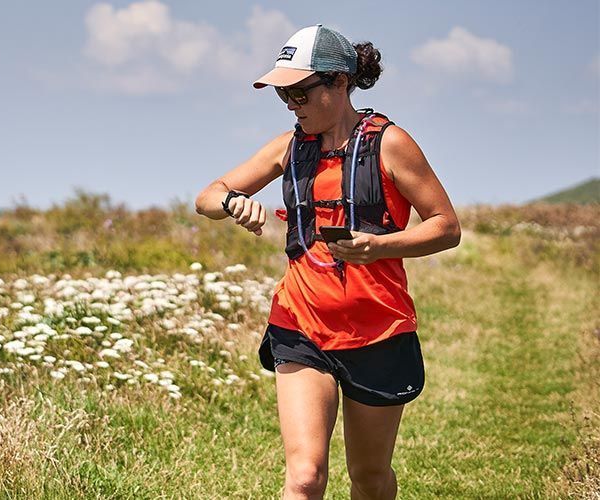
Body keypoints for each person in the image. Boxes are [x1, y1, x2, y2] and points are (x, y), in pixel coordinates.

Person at [194, 25, 461, 499]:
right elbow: (207, 196)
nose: (292, 105)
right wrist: (235, 202)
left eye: (300, 92)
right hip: (299, 325)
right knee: (304, 477)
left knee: (370, 477)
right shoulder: (287, 147)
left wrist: (379, 247)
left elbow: (445, 226)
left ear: (340, 83)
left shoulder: (390, 144)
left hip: (377, 329)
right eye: (284, 96)